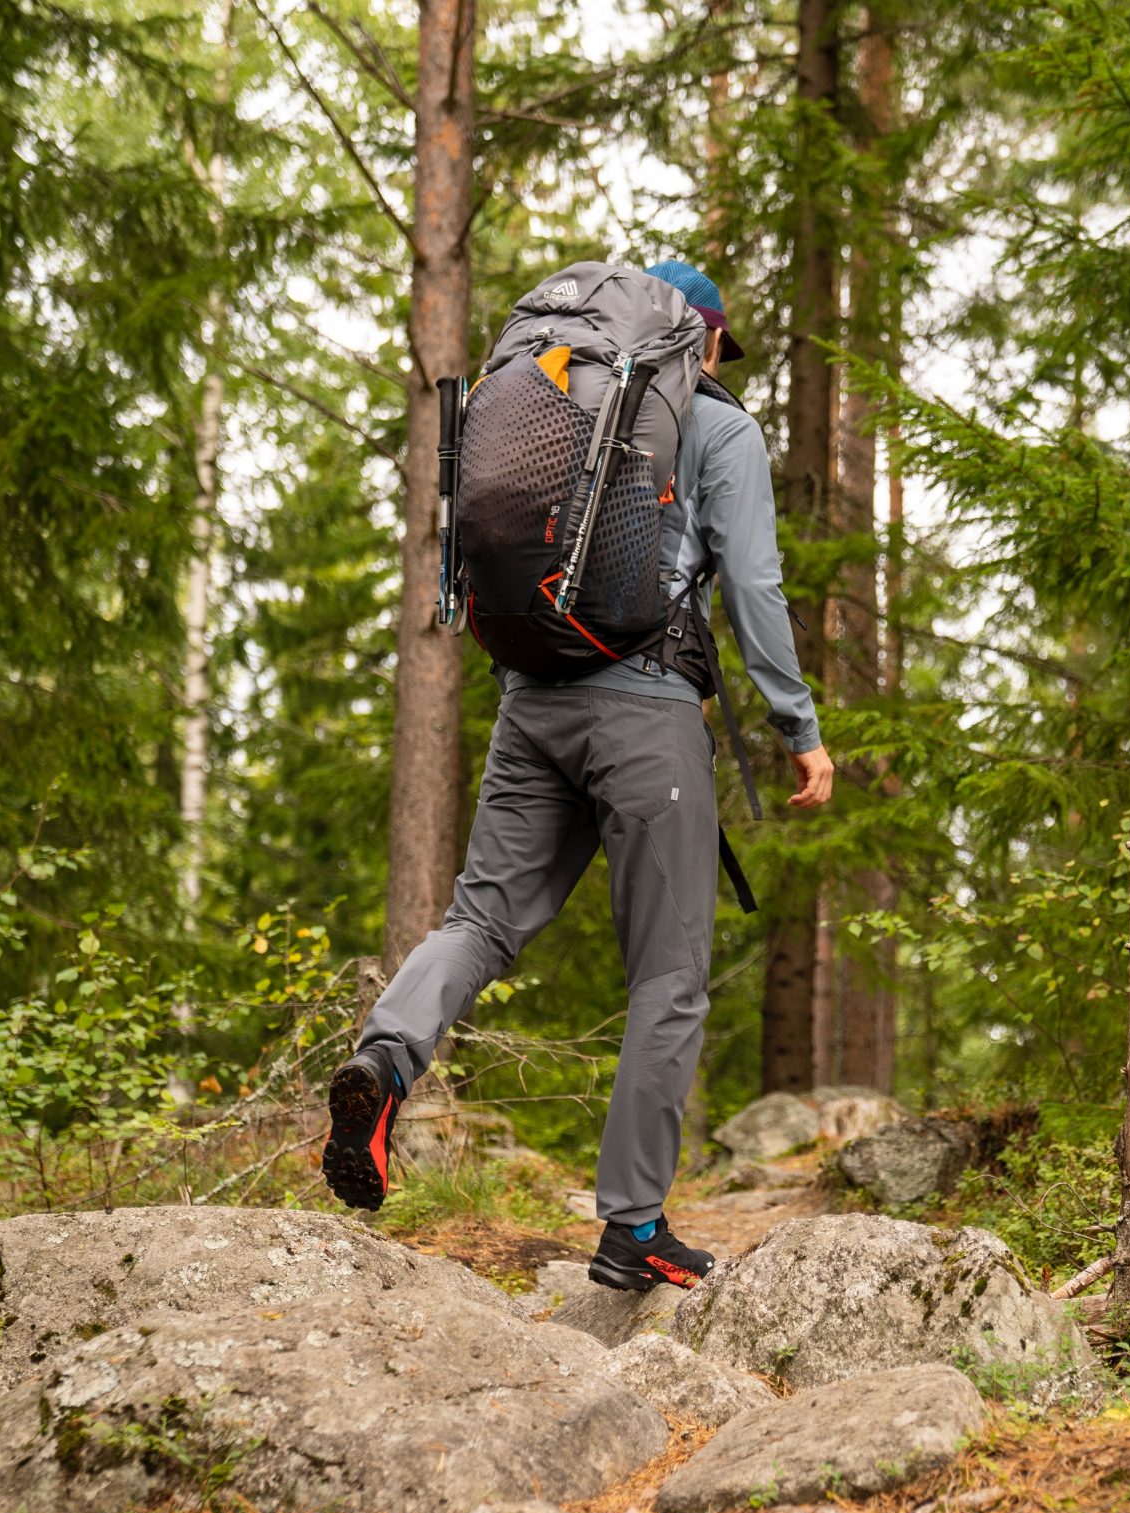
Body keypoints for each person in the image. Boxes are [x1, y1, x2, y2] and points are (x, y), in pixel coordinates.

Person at [322, 259, 834, 1292]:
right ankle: (632, 1226)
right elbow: (754, 583)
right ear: (707, 336)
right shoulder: (719, 425)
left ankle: (385, 1059)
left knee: (481, 920)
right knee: (668, 974)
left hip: (531, 696)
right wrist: (800, 728)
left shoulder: (550, 388)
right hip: (646, 714)